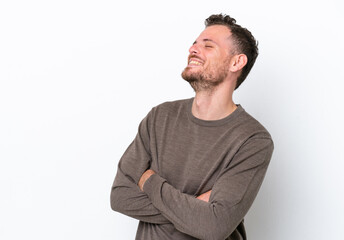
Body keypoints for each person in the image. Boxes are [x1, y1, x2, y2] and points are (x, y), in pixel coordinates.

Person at [110, 13, 274, 240]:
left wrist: (149, 181)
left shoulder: (252, 139)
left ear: (236, 62)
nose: (193, 49)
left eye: (208, 46)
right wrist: (197, 208)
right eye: (194, 44)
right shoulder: (160, 117)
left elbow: (214, 227)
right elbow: (120, 196)